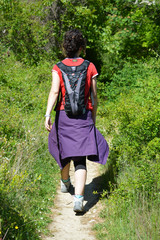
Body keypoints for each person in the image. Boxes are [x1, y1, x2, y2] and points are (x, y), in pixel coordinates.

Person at [45, 29, 109, 213]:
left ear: (65, 46)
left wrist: (47, 114)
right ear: (81, 47)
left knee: (63, 151)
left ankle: (65, 183)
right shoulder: (90, 66)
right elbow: (94, 97)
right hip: (83, 116)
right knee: (80, 158)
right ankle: (79, 200)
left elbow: (55, 92)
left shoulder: (58, 67)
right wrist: (93, 117)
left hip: (64, 116)